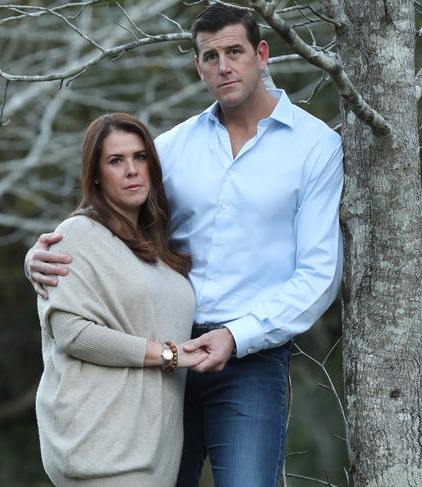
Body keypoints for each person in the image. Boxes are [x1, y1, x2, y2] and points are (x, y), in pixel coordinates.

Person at [26, 4, 343, 487]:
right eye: (210, 56)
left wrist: (237, 337)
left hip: (250, 356)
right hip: (164, 350)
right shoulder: (173, 147)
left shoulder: (315, 147)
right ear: (198, 66)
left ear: (262, 54)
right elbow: (114, 210)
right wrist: (38, 253)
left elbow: (319, 275)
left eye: (235, 52)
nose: (224, 66)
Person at [35, 112, 205, 487]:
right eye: (116, 160)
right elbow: (72, 333)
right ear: (95, 174)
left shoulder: (159, 247)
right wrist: (168, 354)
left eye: (140, 157)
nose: (132, 170)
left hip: (153, 453)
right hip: (102, 449)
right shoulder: (77, 235)